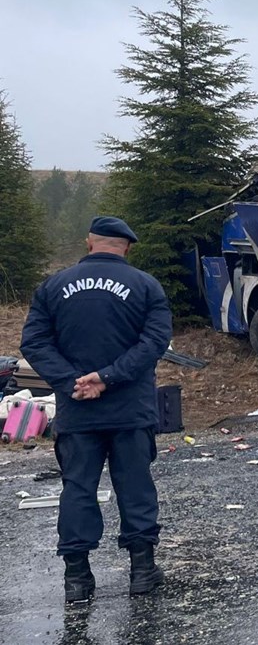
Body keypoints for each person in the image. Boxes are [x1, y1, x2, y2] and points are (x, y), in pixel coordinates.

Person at [19, 217, 172, 603]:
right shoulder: (146, 285)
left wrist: (73, 381)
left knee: (78, 489)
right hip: (130, 409)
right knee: (135, 486)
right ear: (127, 247)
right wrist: (107, 377)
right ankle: (141, 572)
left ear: (89, 243)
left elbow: (34, 342)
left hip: (77, 410)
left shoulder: (53, 286)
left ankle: (77, 580)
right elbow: (154, 342)